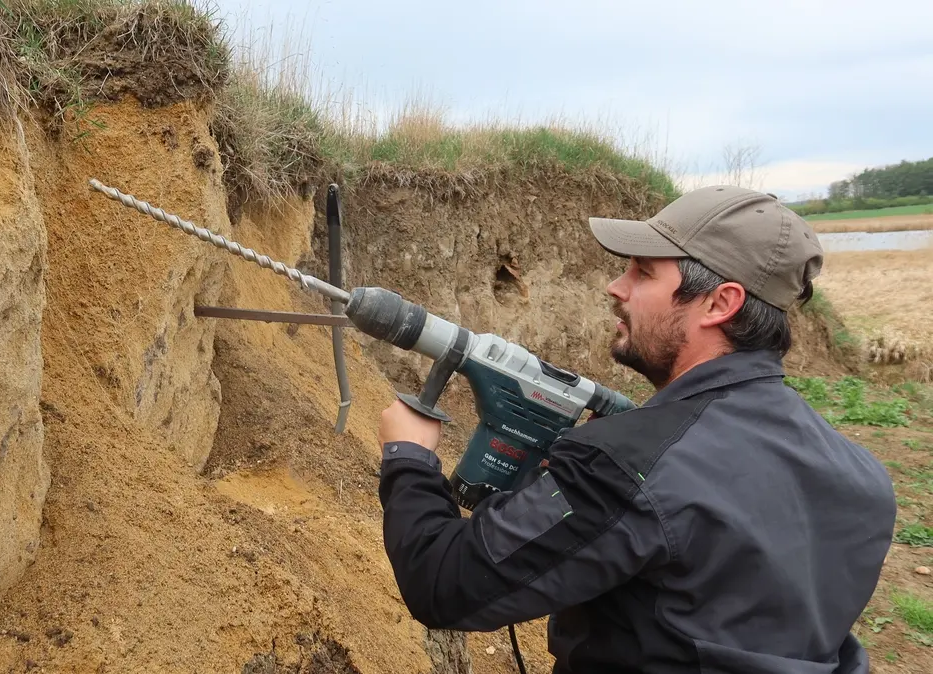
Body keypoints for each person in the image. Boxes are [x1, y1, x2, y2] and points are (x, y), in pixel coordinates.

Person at [375, 185, 897, 673]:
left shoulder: (629, 465)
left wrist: (409, 456)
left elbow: (442, 582)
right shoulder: (865, 478)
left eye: (643, 273)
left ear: (721, 303)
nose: (615, 286)